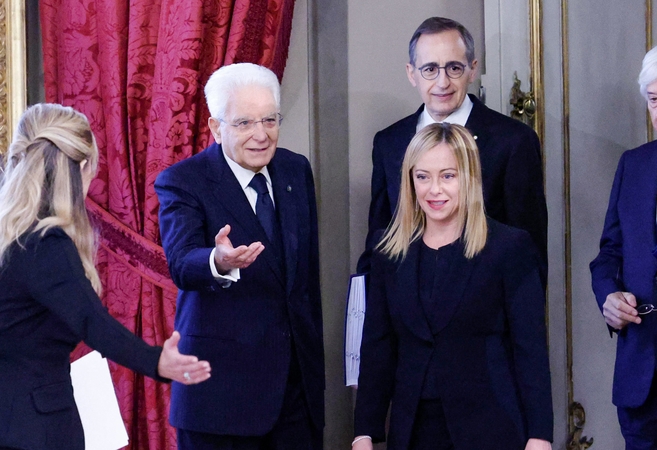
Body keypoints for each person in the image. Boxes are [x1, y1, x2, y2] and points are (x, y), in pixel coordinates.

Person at [0, 103, 211, 450]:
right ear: (82, 168)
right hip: (35, 429)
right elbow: (91, 322)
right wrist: (157, 361)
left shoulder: (12, 236)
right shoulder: (45, 243)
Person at [352, 123, 553, 450]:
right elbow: (378, 347)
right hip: (412, 431)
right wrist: (365, 431)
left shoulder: (509, 247)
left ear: (470, 178)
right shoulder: (388, 251)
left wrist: (540, 435)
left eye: (448, 176)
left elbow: (529, 349)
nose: (434, 190)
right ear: (409, 180)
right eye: (423, 177)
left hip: (491, 429)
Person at [155, 63, 323, 450]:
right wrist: (218, 261)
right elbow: (182, 263)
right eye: (245, 123)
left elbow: (305, 281)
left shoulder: (295, 169)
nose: (261, 135)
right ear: (216, 128)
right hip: (221, 399)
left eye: (269, 120)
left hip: (296, 397)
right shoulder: (183, 180)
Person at [358, 16, 547, 287]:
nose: (442, 82)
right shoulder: (390, 143)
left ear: (472, 69)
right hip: (407, 313)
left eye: (454, 68)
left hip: (485, 313)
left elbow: (530, 249)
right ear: (412, 73)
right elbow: (380, 238)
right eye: (430, 69)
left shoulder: (514, 141)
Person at [589, 41, 657, 450]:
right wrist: (609, 297)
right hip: (639, 371)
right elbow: (608, 255)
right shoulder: (634, 164)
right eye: (653, 99)